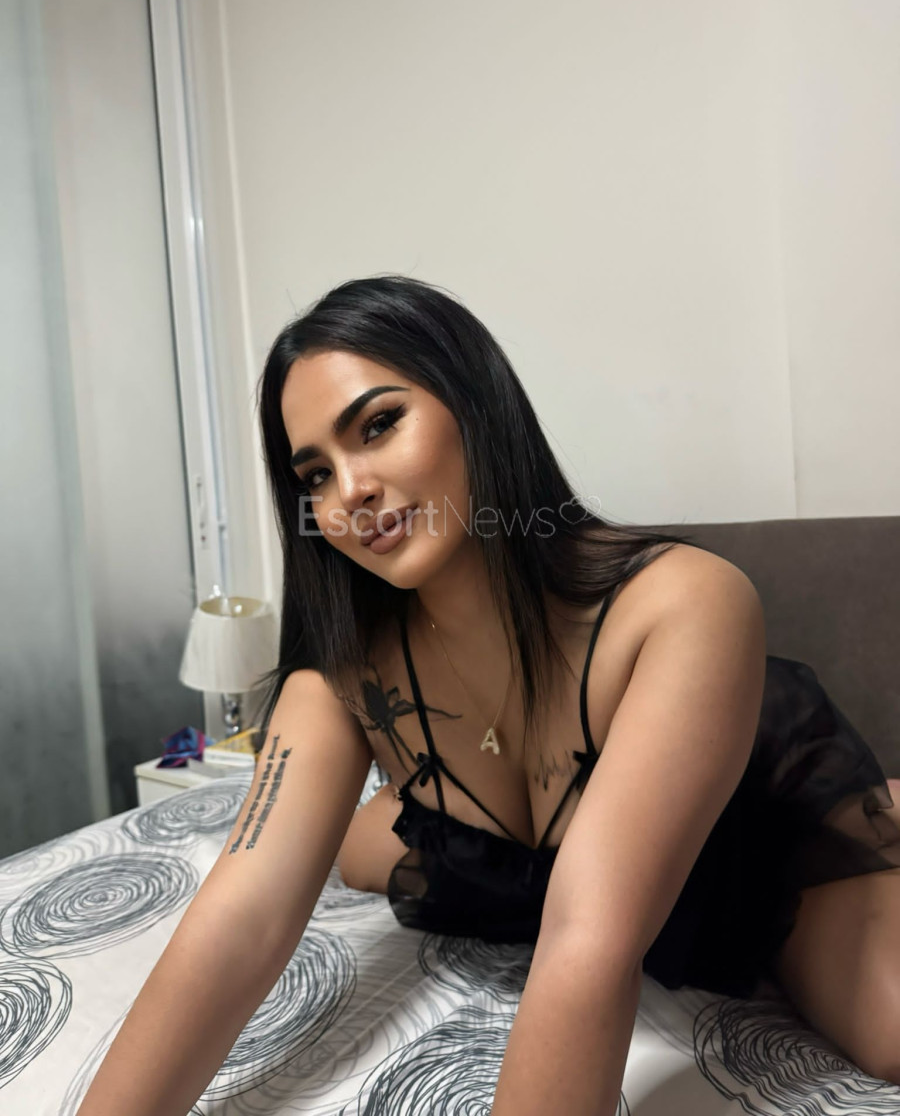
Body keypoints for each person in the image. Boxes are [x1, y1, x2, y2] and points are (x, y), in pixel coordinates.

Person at [76, 275, 900, 1116]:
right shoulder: (337, 673)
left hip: (735, 840)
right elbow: (240, 919)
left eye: (379, 425)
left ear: (475, 403)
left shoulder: (686, 601)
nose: (349, 491)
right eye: (315, 474)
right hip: (524, 852)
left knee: (890, 1032)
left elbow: (588, 945)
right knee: (354, 853)